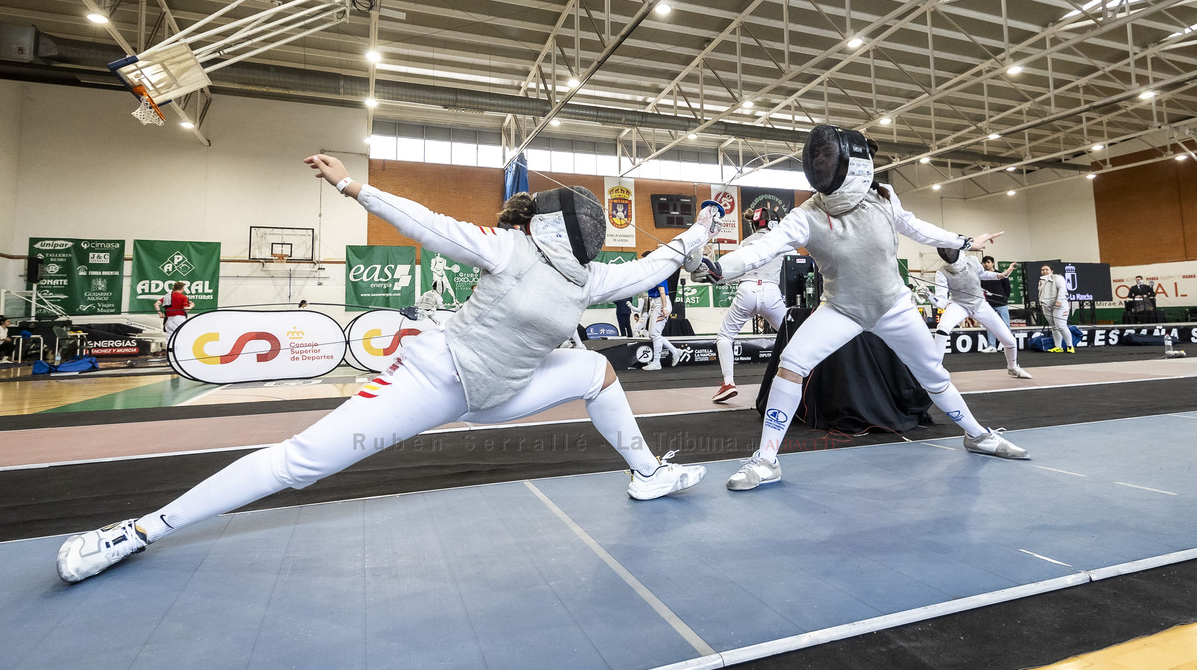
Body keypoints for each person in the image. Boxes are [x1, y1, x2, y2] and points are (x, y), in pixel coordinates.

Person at [55, 155, 720, 583]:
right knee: (299, 463)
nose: (595, 230)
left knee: (595, 372)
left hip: (503, 393)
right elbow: (429, 224)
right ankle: (137, 531)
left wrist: (708, 222)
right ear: (555, 226)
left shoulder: (593, 279)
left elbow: (659, 263)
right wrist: (354, 186)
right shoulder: (506, 247)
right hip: (436, 380)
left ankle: (647, 474)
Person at [693, 125, 1029, 491]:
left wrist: (963, 241)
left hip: (895, 305)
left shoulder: (884, 198)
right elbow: (763, 247)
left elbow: (915, 226)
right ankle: (766, 460)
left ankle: (977, 435)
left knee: (933, 374)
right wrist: (720, 267)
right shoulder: (807, 215)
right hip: (841, 308)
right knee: (790, 365)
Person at [712, 207, 789, 403]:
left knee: (725, 337)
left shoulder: (745, 244)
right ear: (773, 223)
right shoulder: (781, 241)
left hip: (747, 290)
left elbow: (732, 271)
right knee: (791, 335)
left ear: (754, 224)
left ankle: (728, 383)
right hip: (772, 292)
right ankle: (796, 377)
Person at [933, 249, 1032, 379]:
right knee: (942, 329)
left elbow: (982, 274)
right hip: (959, 304)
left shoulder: (972, 260)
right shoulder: (942, 272)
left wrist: (1001, 275)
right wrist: (931, 297)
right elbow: (941, 302)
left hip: (980, 304)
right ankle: (935, 370)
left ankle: (1013, 367)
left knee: (1010, 341)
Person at [640, 252, 681, 371]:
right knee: (654, 333)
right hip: (655, 302)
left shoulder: (658, 271)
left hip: (661, 302)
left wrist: (664, 307)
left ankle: (657, 362)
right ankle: (675, 351)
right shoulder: (651, 273)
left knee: (655, 334)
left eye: (643, 260)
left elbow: (662, 291)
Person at [979, 256, 1012, 352]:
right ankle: (992, 346)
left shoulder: (1000, 274)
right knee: (990, 324)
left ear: (993, 263)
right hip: (988, 304)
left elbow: (1007, 288)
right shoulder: (981, 276)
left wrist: (1004, 298)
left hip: (1001, 303)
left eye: (988, 262)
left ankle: (1008, 345)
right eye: (984, 262)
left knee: (1005, 324)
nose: (986, 264)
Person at [1038, 265, 1073, 353]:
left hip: (1059, 305)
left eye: (1047, 269)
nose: (1044, 271)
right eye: (1043, 270)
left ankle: (1070, 346)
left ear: (1051, 271)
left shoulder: (1058, 278)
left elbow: (1062, 289)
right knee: (1054, 327)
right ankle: (1058, 347)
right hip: (1046, 305)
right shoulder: (1041, 280)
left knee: (1061, 326)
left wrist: (1059, 300)